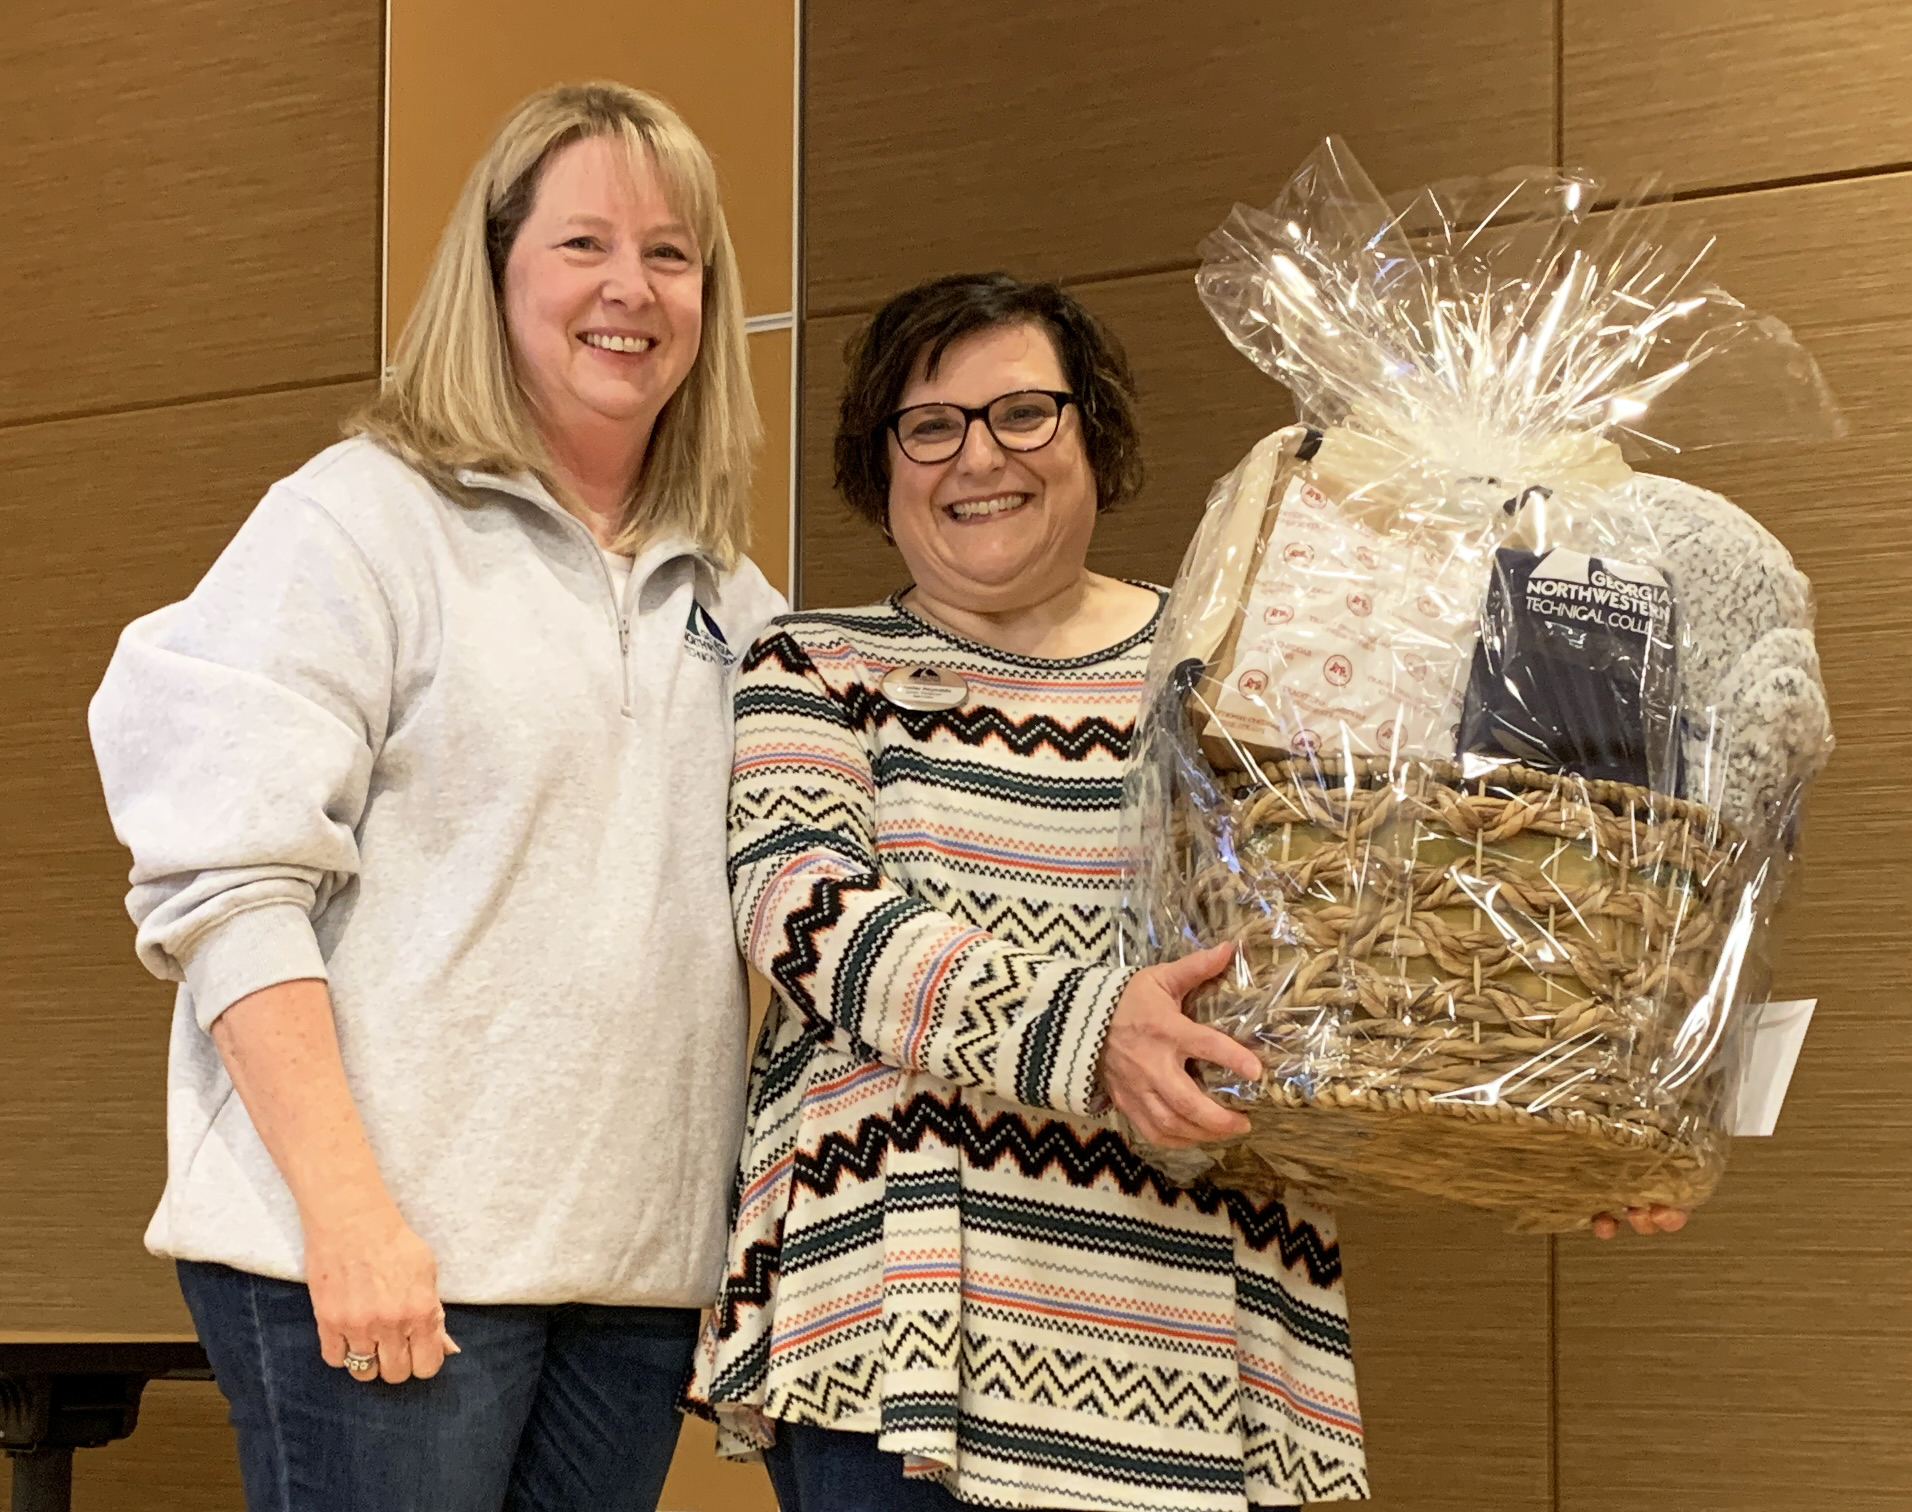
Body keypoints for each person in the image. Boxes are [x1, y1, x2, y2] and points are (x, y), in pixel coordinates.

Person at [88, 81, 783, 1512]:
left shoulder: (734, 594)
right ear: (496, 270)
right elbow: (226, 874)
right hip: (380, 1262)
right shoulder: (362, 518)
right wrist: (348, 1218)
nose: (630, 289)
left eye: (671, 252)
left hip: (631, 1283)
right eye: (583, 243)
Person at [689, 273, 1368, 1511]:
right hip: (901, 1348)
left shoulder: (1229, 676)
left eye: (1022, 414)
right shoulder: (815, 664)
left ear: (1092, 436)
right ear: (882, 465)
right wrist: (1093, 1030)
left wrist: (1548, 1130)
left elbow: (1351, 947)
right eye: (930, 425)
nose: (976, 458)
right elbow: (806, 912)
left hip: (1199, 1322)